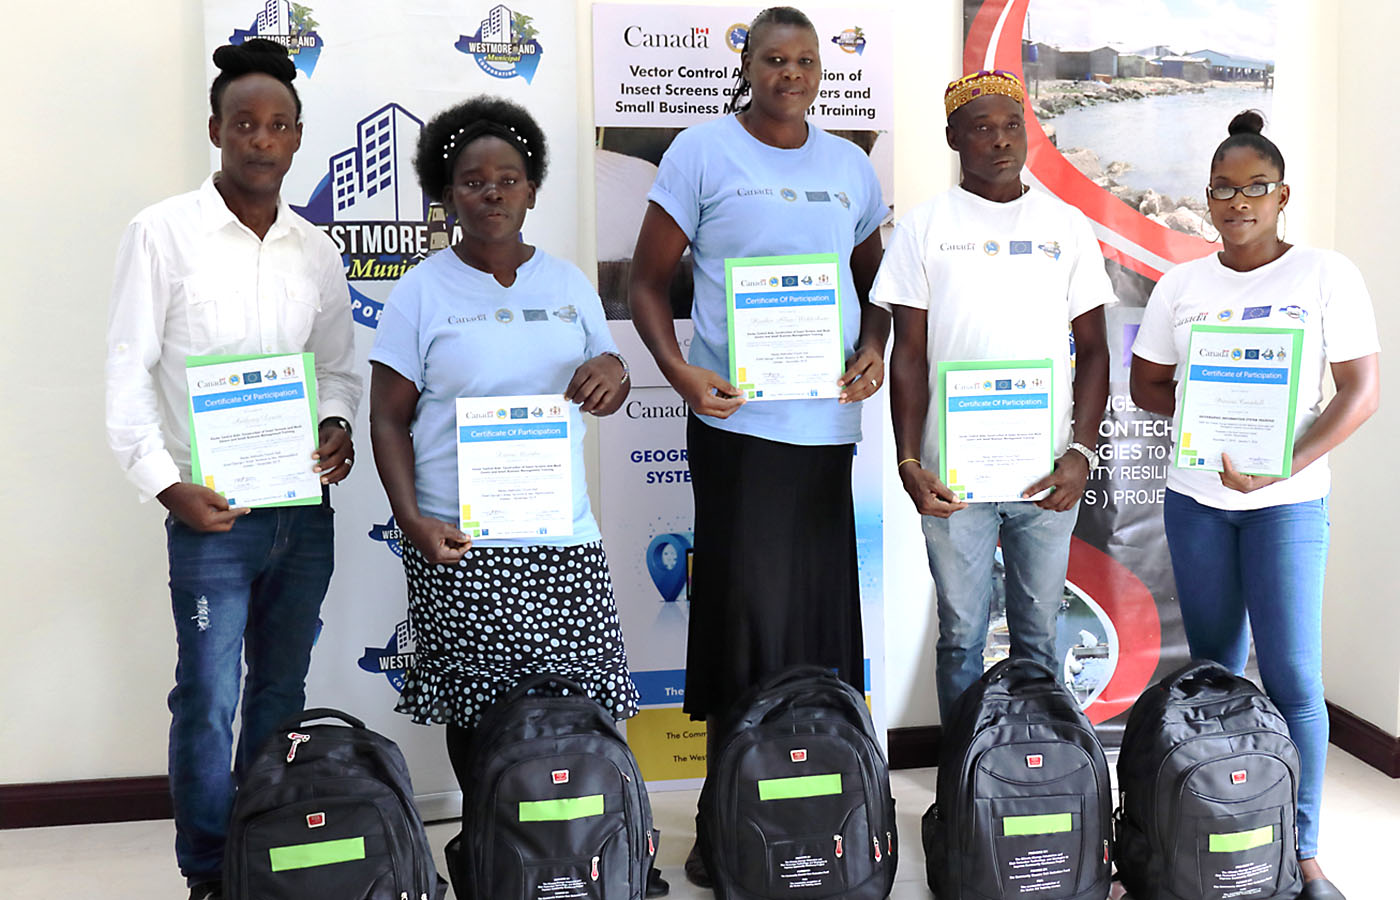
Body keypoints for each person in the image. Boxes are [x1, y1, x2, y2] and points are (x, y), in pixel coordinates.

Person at [367, 94, 664, 892]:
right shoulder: (421, 292)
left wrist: (616, 372)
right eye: (472, 181)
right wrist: (412, 523)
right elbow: (387, 419)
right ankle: (499, 858)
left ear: (532, 187)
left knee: (585, 710)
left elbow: (609, 374)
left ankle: (589, 853)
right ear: (449, 193)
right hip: (460, 544)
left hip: (560, 540)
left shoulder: (567, 284)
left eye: (507, 178)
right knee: (480, 717)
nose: (491, 192)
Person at [625, 6, 888, 886]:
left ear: (824, 70)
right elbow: (648, 285)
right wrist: (680, 373)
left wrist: (873, 349)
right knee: (741, 616)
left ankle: (815, 808)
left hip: (823, 431)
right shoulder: (701, 151)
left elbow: (875, 289)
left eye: (806, 60)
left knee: (819, 618)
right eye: (775, 58)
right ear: (747, 64)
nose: (793, 73)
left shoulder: (849, 166)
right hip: (736, 427)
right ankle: (726, 818)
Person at [104, 39, 361, 900]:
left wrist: (336, 423)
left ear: (297, 139)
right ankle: (210, 871)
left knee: (281, 690)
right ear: (216, 130)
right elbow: (127, 369)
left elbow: (339, 367)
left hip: (301, 515)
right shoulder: (162, 233)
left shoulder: (315, 251)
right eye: (244, 123)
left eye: (278, 126)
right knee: (208, 698)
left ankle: (264, 848)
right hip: (209, 516)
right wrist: (163, 481)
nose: (261, 139)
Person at [1130, 111, 1380, 900]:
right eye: (1223, 190)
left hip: (1289, 505)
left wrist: (1282, 466)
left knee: (1296, 678)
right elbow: (1145, 384)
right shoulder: (1182, 284)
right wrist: (1212, 421)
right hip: (1198, 499)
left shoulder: (1325, 275)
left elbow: (1361, 392)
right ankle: (1218, 823)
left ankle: (1302, 849)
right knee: (1213, 672)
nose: (1238, 202)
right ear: (1207, 199)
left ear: (1282, 196)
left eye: (1255, 189)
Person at [872, 70, 1112, 720]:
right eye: (983, 128)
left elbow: (1094, 351)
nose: (1002, 141)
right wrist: (907, 461)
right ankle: (964, 785)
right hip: (953, 479)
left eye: (1013, 127)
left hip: (1045, 474)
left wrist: (1082, 453)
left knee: (1038, 638)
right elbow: (910, 356)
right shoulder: (924, 228)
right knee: (961, 639)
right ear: (953, 138)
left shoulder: (1066, 226)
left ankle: (1033, 774)